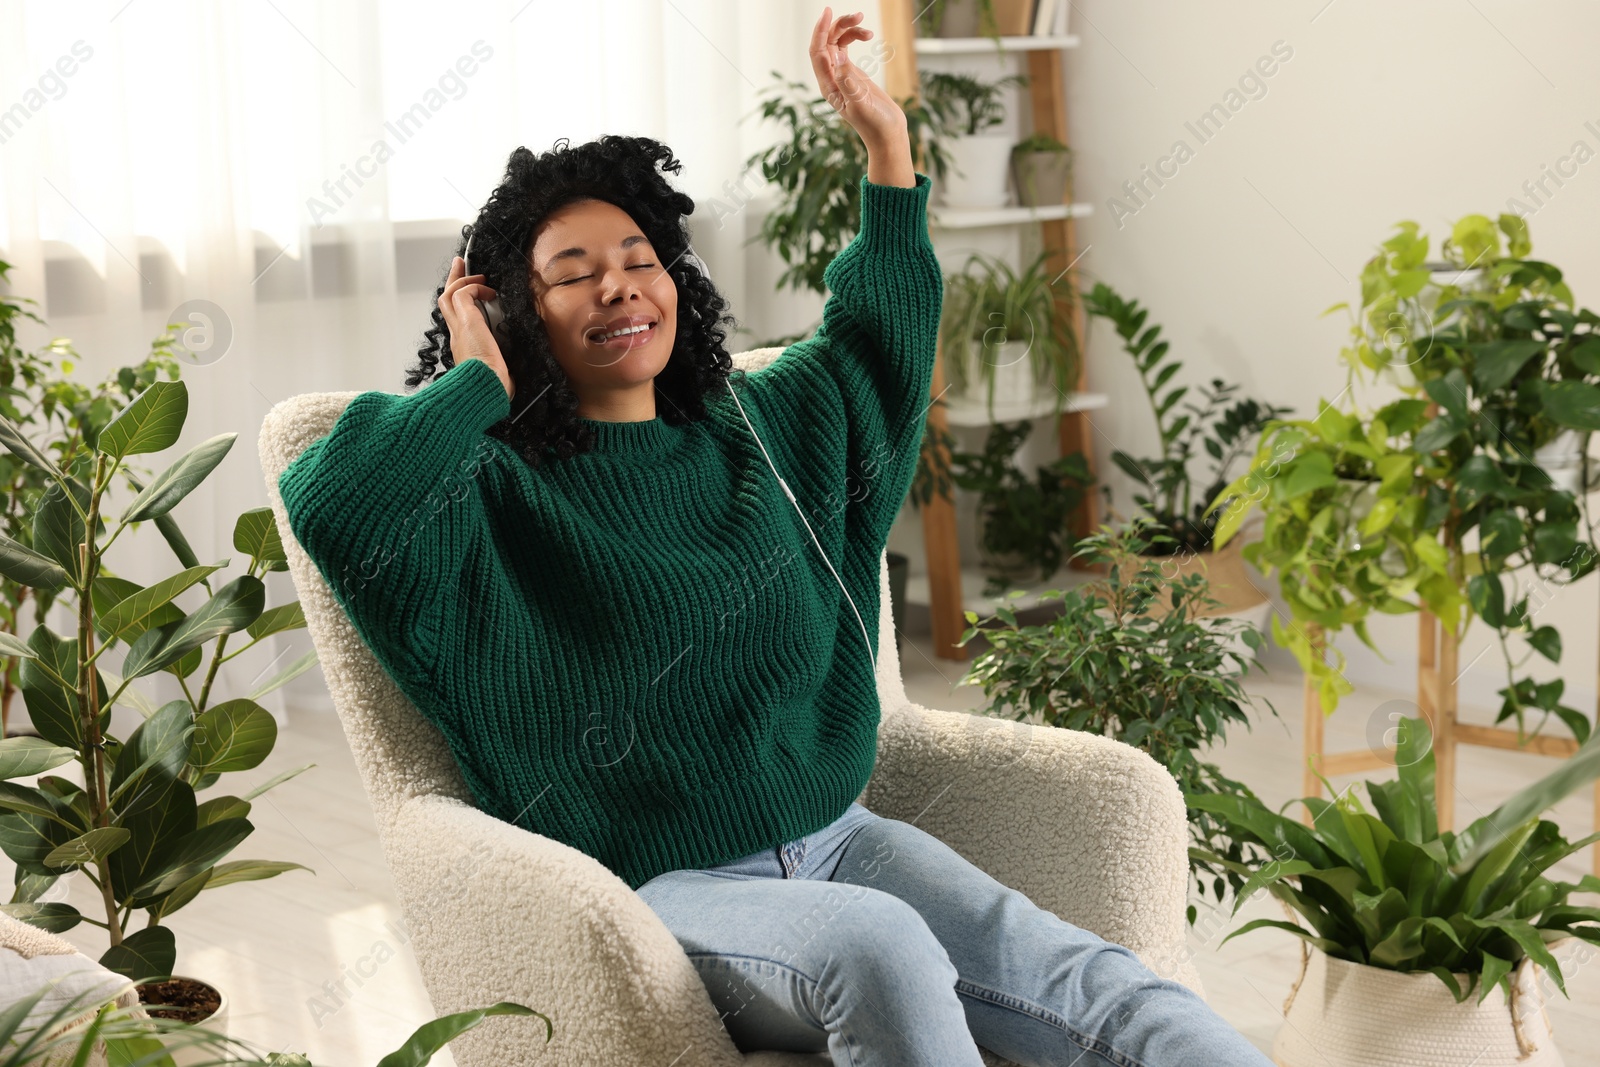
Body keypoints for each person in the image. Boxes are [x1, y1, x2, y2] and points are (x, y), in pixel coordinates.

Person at [278, 7, 1274, 1064]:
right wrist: (475, 378)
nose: (618, 281)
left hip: (843, 841)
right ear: (510, 307)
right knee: (881, 946)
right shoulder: (478, 486)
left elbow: (877, 343)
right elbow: (333, 501)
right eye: (572, 271)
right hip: (663, 889)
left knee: (1107, 984)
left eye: (639, 255)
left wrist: (887, 152)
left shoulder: (763, 421)